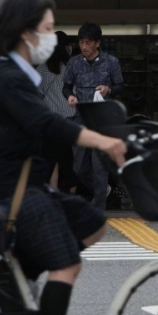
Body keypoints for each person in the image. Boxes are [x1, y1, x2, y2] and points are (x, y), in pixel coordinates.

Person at [0, 0, 126, 315]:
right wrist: (103, 141)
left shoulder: (17, 75)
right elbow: (48, 124)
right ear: (26, 34)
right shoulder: (9, 78)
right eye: (49, 30)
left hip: (23, 182)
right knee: (67, 262)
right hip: (6, 189)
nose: (54, 38)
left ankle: (21, 282)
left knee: (91, 222)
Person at [63, 22, 124, 210]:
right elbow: (65, 86)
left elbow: (121, 86)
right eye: (81, 42)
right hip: (81, 117)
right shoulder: (74, 63)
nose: (84, 47)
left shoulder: (111, 62)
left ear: (97, 43)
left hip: (102, 119)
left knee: (100, 165)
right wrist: (70, 96)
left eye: (88, 43)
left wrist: (109, 89)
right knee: (79, 166)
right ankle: (103, 190)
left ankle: (98, 207)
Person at [37, 31, 82, 197]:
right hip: (71, 121)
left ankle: (53, 194)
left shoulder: (42, 68)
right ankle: (72, 196)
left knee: (51, 161)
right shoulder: (75, 68)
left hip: (49, 123)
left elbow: (36, 96)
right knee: (68, 161)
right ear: (66, 47)